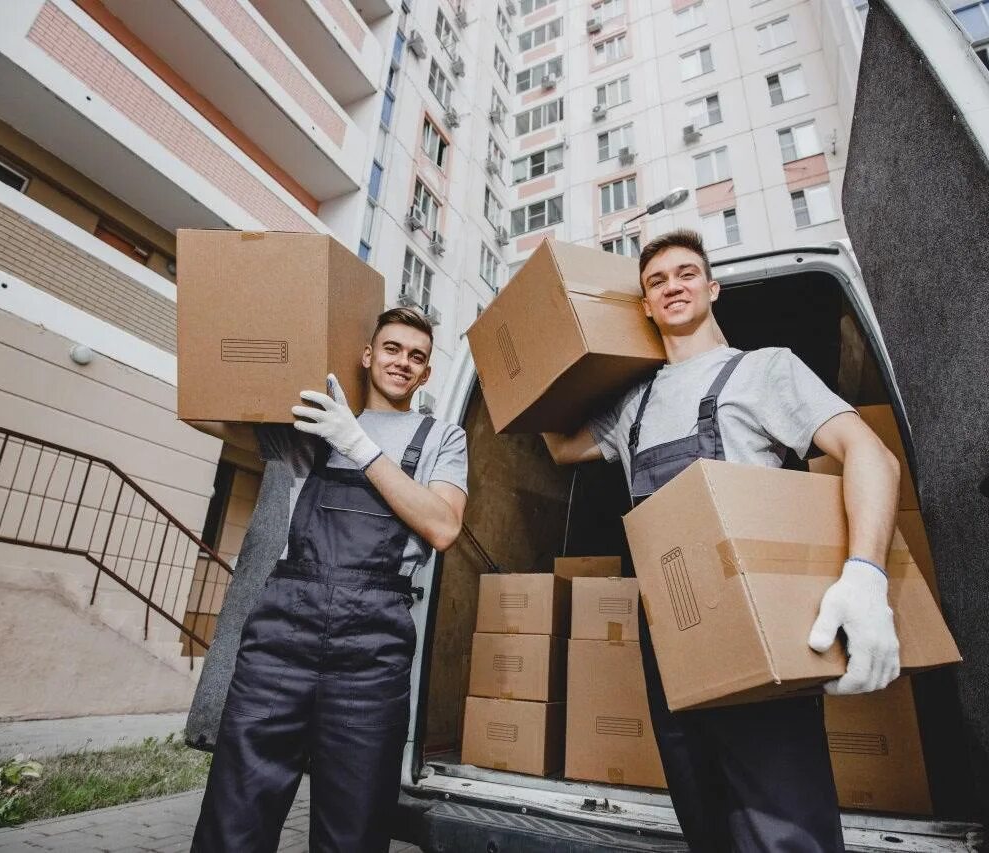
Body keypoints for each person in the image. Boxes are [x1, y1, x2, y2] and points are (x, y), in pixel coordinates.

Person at [542, 230, 902, 852]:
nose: (672, 286)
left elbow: (871, 455)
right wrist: (551, 347)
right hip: (669, 628)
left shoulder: (765, 369)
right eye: (656, 282)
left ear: (711, 289)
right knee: (705, 820)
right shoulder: (633, 404)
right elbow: (558, 443)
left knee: (781, 828)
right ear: (646, 308)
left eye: (686, 274)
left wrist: (865, 573)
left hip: (757, 624)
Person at [193, 307, 468, 853]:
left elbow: (441, 526)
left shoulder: (444, 437)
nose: (403, 363)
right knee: (235, 812)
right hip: (280, 640)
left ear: (427, 373)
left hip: (371, 649)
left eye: (417, 356)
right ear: (367, 356)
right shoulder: (315, 423)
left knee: (355, 824)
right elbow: (201, 413)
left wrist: (360, 444)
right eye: (392, 349)